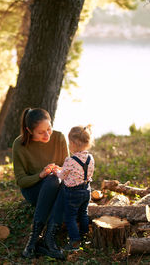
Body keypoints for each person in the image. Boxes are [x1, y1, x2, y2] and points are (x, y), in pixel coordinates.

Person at [12, 108, 69, 260]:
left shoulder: (59, 138)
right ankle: (35, 239)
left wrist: (60, 171)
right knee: (51, 180)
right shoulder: (19, 144)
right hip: (34, 190)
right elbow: (21, 180)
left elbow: (68, 169)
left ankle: (46, 240)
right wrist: (41, 175)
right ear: (29, 130)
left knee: (63, 185)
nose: (47, 135)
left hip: (57, 187)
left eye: (49, 129)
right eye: (41, 132)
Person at [56, 124, 94, 251]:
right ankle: (84, 235)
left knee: (70, 217)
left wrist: (55, 171)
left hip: (73, 193)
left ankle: (74, 242)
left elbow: (62, 176)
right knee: (83, 213)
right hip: (87, 189)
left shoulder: (70, 160)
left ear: (73, 143)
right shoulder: (90, 158)